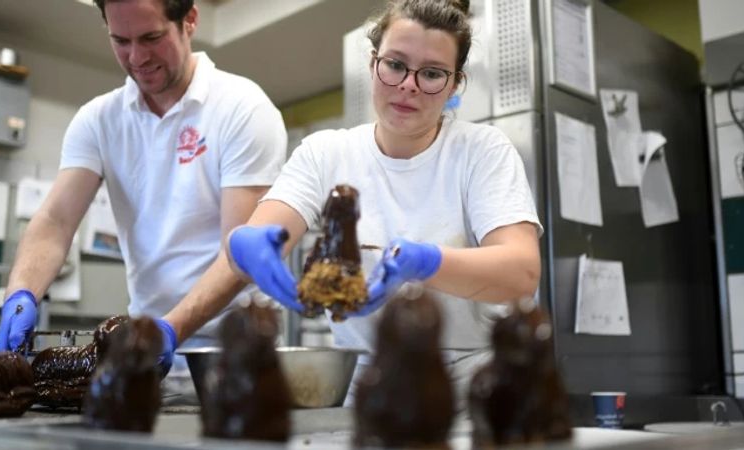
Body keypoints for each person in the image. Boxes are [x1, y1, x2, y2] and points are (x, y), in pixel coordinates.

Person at [162, 0, 542, 406]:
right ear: (372, 62)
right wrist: (245, 247)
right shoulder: (326, 154)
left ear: (454, 85)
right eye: (395, 64)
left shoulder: (481, 151)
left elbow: (520, 271)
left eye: (432, 74)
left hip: (469, 392)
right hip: (363, 391)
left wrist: (426, 263)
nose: (409, 84)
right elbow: (259, 235)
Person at [0, 0, 287, 379]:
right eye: (121, 41)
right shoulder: (99, 120)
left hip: (234, 354)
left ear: (190, 20)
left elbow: (239, 253)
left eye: (151, 37)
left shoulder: (242, 108)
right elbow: (55, 220)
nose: (137, 57)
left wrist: (171, 329)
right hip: (148, 352)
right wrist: (21, 294)